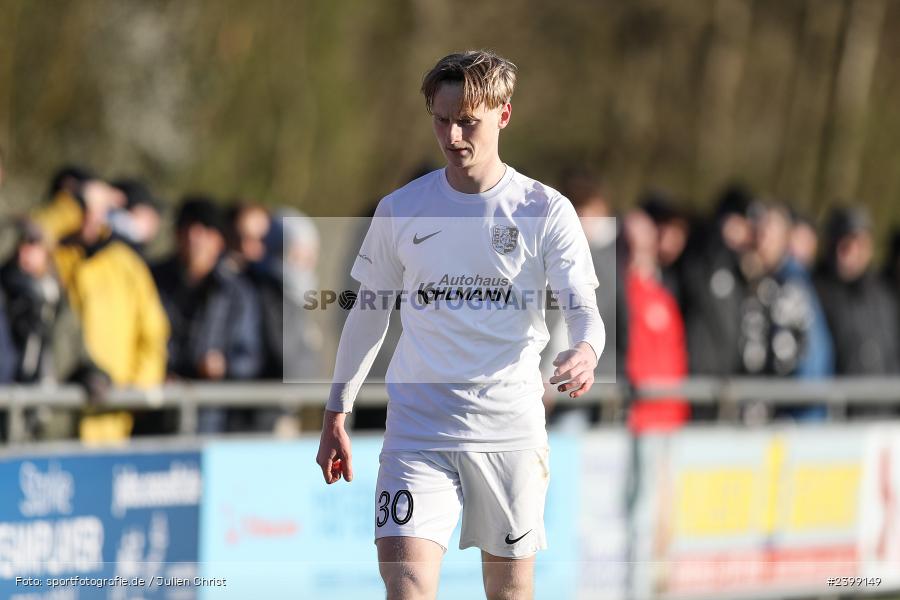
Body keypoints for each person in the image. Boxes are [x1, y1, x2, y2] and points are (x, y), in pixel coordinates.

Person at [315, 51, 604, 600]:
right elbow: (368, 312)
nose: (452, 134)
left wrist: (587, 350)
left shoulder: (544, 209)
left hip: (509, 430)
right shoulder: (402, 208)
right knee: (406, 585)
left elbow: (585, 310)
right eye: (441, 119)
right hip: (418, 428)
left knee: (509, 593)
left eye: (467, 120)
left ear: (503, 115)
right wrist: (337, 408)